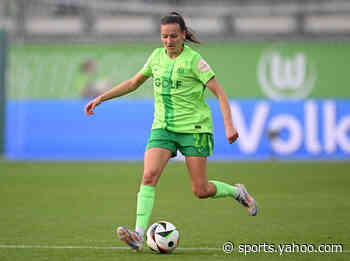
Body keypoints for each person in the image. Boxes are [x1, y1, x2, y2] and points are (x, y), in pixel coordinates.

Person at [84, 12, 258, 252]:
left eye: (173, 36)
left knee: (200, 190)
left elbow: (220, 93)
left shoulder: (195, 60)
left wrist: (229, 125)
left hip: (194, 129)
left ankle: (236, 192)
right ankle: (138, 235)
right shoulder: (156, 57)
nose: (168, 41)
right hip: (163, 128)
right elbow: (133, 83)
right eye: (164, 36)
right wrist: (101, 98)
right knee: (149, 176)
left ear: (184, 35)